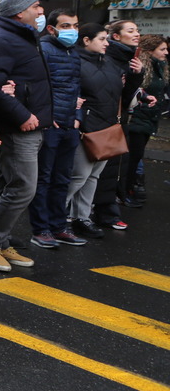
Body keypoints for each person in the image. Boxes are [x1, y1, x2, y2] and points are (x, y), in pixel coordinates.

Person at [0, 0, 51, 273]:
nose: (41, 11)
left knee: (6, 184)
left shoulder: (23, 37)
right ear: (20, 11)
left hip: (29, 124)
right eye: (36, 6)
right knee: (22, 187)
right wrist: (23, 114)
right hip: (17, 127)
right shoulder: (3, 39)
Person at [27, 9, 86, 249]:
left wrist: (78, 117)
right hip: (50, 126)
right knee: (44, 178)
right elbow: (37, 87)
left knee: (62, 178)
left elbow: (77, 87)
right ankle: (41, 229)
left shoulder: (73, 53)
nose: (72, 30)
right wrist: (47, 117)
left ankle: (59, 226)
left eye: (75, 25)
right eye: (66, 26)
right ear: (51, 29)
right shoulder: (42, 50)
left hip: (69, 125)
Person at [65, 24, 125, 238]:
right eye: (102, 39)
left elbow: (118, 93)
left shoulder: (109, 62)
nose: (107, 43)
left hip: (106, 127)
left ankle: (82, 218)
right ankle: (57, 217)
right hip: (86, 129)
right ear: (86, 40)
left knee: (93, 176)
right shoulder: (74, 61)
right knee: (79, 175)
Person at [92, 19, 145, 226]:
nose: (137, 34)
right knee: (100, 171)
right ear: (116, 36)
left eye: (137, 30)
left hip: (117, 120)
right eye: (131, 30)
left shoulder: (129, 58)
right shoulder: (109, 58)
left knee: (114, 169)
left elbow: (125, 93)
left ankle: (107, 212)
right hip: (103, 120)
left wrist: (137, 75)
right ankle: (96, 213)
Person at [123, 34, 168, 201]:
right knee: (133, 158)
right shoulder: (140, 67)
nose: (166, 53)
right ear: (149, 51)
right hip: (137, 119)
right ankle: (127, 191)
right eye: (162, 49)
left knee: (136, 158)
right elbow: (135, 91)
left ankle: (130, 189)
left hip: (149, 119)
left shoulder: (161, 66)